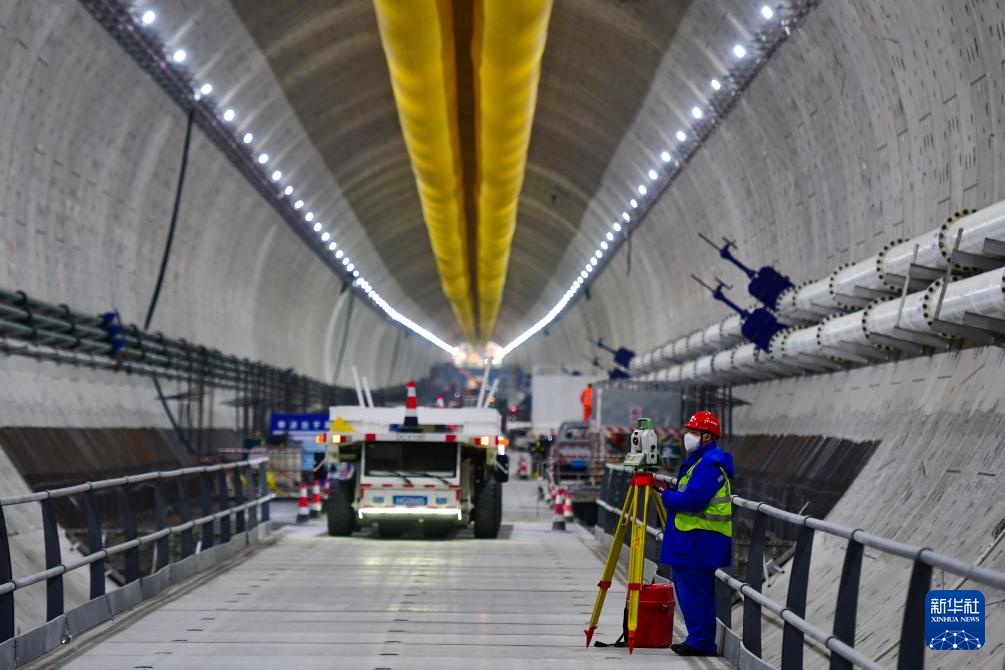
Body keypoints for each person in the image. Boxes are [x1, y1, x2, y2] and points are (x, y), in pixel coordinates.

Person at [659, 410, 734, 657]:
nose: (688, 436)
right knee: (689, 593)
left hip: (700, 542)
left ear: (707, 437)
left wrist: (666, 497)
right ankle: (696, 638)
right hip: (692, 540)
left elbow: (694, 500)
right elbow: (689, 493)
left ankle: (701, 642)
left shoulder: (709, 465)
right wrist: (670, 491)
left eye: (693, 432)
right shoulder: (700, 462)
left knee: (697, 594)